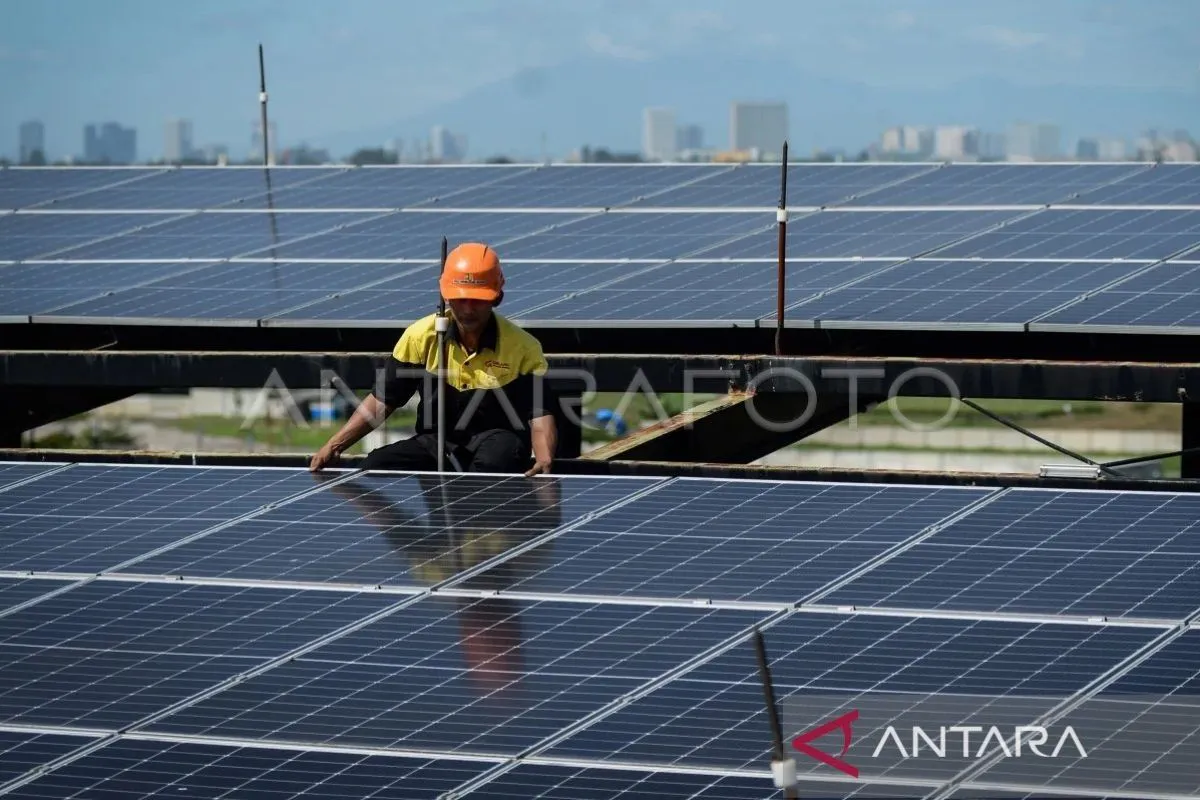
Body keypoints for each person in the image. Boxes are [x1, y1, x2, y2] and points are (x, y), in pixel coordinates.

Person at [309, 242, 557, 476]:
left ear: (496, 297)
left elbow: (540, 412)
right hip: (436, 442)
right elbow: (384, 399)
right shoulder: (421, 337)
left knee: (493, 464)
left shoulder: (523, 347)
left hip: (499, 441)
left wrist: (544, 457)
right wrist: (335, 444)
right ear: (446, 296)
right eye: (461, 299)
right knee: (374, 467)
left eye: (478, 300)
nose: (468, 309)